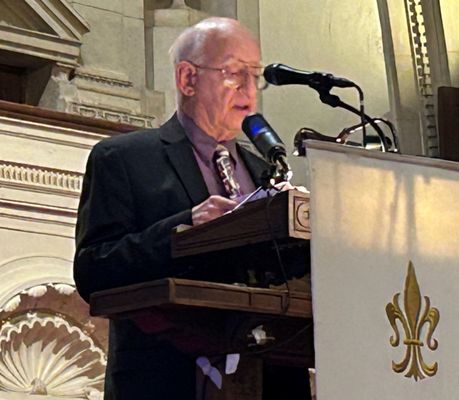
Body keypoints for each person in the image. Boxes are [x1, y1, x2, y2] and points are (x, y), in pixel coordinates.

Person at [74, 17, 273, 399]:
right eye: (234, 73)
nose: (250, 89)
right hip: (167, 380)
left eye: (256, 75)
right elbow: (92, 269)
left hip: (268, 378)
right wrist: (186, 229)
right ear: (187, 79)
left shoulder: (266, 173)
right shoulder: (124, 159)